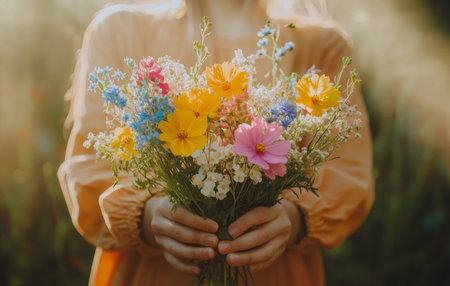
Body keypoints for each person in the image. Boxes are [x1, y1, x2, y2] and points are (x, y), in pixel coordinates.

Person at [57, 0, 374, 285]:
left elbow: (350, 175)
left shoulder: (320, 45)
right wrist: (145, 216)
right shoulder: (119, 30)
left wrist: (294, 219)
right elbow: (90, 166)